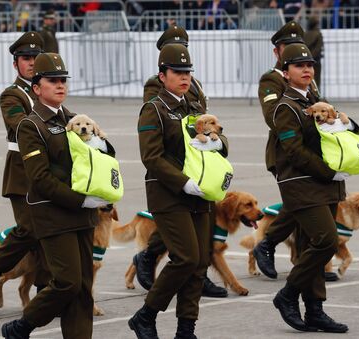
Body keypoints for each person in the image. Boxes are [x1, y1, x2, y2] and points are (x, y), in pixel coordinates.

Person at [1, 52, 113, 339]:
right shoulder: (31, 125)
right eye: (53, 81)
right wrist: (81, 200)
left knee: (83, 288)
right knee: (67, 282)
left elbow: (103, 157)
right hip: (53, 214)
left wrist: (102, 143)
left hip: (82, 215)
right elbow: (40, 178)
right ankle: (23, 325)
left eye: (63, 80)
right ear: (37, 88)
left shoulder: (76, 120)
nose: (60, 85)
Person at [129, 44, 228, 339]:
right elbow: (152, 157)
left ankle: (186, 329)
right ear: (163, 75)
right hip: (169, 193)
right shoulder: (154, 109)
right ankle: (145, 315)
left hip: (200, 194)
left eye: (187, 72)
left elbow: (222, 140)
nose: (184, 78)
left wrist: (217, 143)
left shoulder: (195, 109)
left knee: (198, 263)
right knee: (185, 257)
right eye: (177, 72)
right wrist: (183, 182)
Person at [271, 43, 352, 334]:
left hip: (325, 186)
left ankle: (315, 310)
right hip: (302, 186)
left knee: (311, 246)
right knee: (327, 241)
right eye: (299, 65)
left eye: (310, 65)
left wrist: (348, 122)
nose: (307, 69)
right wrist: (329, 171)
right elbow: (293, 151)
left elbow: (348, 130)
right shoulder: (286, 107)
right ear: (286, 72)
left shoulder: (319, 100)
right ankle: (288, 295)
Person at [0, 31, 52, 310]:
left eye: (35, 57)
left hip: (48, 169)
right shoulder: (13, 94)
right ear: (16, 63)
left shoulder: (46, 87)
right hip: (22, 170)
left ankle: (46, 290)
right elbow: (22, 126)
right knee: (30, 228)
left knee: (49, 230)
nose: (31, 63)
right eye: (25, 58)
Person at [253, 20, 324, 280]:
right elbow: (273, 116)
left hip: (312, 152)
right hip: (285, 153)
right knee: (302, 203)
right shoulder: (271, 79)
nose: (297, 54)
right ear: (277, 52)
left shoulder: (306, 76)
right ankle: (269, 244)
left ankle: (308, 261)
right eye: (288, 47)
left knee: (307, 205)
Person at [304, 16, 324, 87]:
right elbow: (318, 48)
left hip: (305, 61)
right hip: (315, 61)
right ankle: (315, 97)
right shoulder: (318, 34)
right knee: (316, 82)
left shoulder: (305, 35)